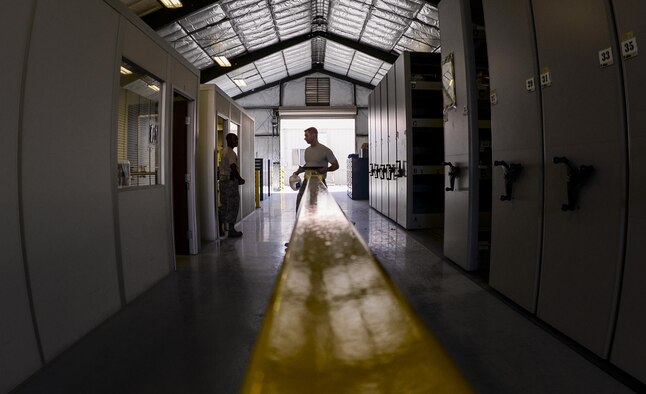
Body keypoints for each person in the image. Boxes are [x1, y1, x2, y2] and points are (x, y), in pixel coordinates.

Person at [292, 126, 339, 211]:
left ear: (314, 135)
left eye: (306, 136)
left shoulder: (325, 150)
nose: (304, 138)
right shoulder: (307, 151)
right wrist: (299, 171)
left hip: (320, 182)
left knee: (320, 207)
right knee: (300, 203)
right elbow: (309, 165)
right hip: (307, 181)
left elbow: (336, 165)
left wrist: (326, 169)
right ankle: (301, 223)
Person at [219, 133, 245, 238]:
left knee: (224, 204)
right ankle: (231, 229)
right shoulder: (230, 152)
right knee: (233, 204)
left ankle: (220, 227)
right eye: (235, 140)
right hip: (230, 182)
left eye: (237, 140)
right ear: (228, 140)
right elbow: (233, 167)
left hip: (224, 181)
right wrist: (239, 179)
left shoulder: (225, 151)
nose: (236, 142)